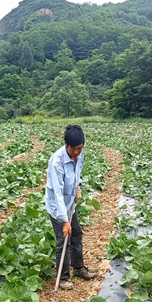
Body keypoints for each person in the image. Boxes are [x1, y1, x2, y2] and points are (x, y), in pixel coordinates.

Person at [45, 124, 97, 291]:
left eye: (80, 148)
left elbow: (77, 174)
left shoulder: (79, 155)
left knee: (77, 234)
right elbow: (58, 194)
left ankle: (79, 267)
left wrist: (77, 187)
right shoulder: (56, 162)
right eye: (74, 149)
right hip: (57, 206)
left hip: (70, 202)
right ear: (65, 144)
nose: (77, 152)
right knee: (63, 240)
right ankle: (63, 277)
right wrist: (64, 220)